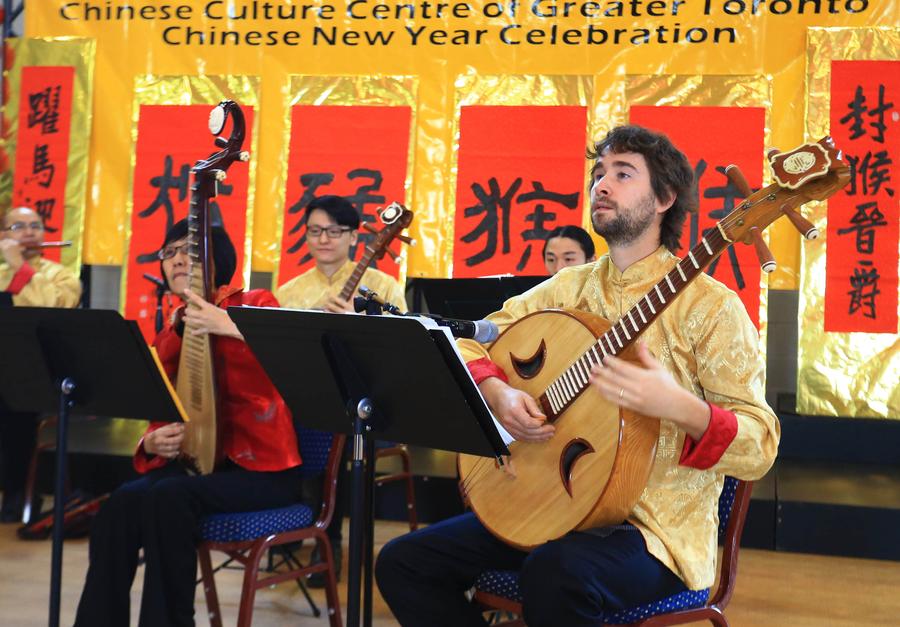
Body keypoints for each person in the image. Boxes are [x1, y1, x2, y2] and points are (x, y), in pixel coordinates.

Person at [375, 125, 780, 626]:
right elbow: (470, 338)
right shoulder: (569, 287)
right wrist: (497, 390)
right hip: (552, 503)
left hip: (652, 532)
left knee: (556, 573)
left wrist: (677, 404)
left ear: (664, 199)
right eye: (598, 174)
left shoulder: (712, 307)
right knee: (404, 562)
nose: (602, 186)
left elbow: (760, 444)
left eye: (623, 174)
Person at [74, 219, 303, 627]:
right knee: (122, 503)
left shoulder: (257, 303)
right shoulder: (173, 324)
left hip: (262, 471)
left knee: (170, 498)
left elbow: (293, 361)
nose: (178, 259)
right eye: (169, 252)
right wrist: (151, 442)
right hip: (198, 466)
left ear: (219, 260)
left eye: (189, 250)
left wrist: (228, 325)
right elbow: (163, 404)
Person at [276, 194, 408, 587]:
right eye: (315, 231)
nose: (323, 239)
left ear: (353, 237)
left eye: (334, 231)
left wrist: (356, 324)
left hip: (372, 402)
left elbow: (399, 351)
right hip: (311, 400)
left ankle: (327, 537)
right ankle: (300, 523)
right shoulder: (289, 292)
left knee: (331, 427)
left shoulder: (383, 285)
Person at [0, 206, 82, 522]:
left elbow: (47, 306)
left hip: (36, 373)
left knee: (15, 408)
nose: (30, 231)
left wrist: (18, 264)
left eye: (36, 225)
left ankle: (18, 493)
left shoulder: (60, 275)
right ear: (4, 234)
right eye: (19, 226)